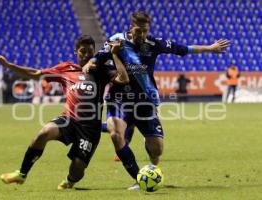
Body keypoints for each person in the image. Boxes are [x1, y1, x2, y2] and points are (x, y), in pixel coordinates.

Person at [83, 11, 230, 190]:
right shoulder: (117, 40)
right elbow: (98, 58)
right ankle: (138, 177)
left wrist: (210, 47)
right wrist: (89, 63)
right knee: (116, 134)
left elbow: (181, 49)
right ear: (131, 28)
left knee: (156, 149)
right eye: (138, 31)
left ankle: (142, 144)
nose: (142, 35)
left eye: (145, 31)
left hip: (146, 101)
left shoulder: (154, 43)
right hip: (120, 98)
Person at [0, 35, 129, 189]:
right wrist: (8, 64)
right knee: (44, 133)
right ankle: (22, 174)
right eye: (83, 51)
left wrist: (115, 55)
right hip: (68, 119)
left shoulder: (102, 70)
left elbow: (123, 79)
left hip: (90, 129)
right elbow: (37, 74)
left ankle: (70, 181)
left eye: (90, 51)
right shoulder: (65, 69)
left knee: (77, 169)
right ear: (76, 51)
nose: (87, 54)